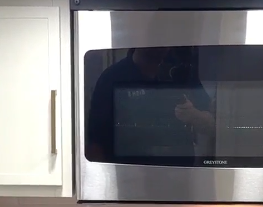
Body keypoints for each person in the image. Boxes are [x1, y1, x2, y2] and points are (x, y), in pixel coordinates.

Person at [86, 47, 214, 160]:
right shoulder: (112, 77)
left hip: (181, 173)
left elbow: (213, 126)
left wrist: (194, 115)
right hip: (127, 173)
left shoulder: (182, 72)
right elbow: (95, 141)